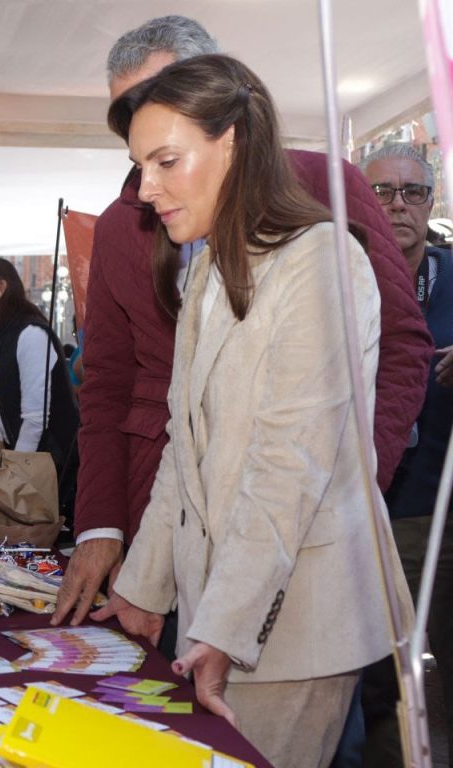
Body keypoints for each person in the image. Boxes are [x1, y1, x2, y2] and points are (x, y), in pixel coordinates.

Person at [53, 14, 431, 629]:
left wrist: (356, 488)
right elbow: (108, 386)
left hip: (305, 533)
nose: (143, 119)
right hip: (167, 528)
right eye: (129, 109)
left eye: (161, 94)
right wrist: (102, 523)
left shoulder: (325, 185)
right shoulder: (126, 223)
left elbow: (400, 346)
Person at [102, 53, 413, 768]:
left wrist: (223, 630)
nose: (146, 188)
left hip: (296, 623)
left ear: (234, 141)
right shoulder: (211, 264)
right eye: (139, 166)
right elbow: (186, 450)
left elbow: (289, 466)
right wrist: (144, 589)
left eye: (165, 161)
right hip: (224, 611)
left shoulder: (321, 261)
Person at [360, 143, 453, 766]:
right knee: (374, 681)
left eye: (413, 192)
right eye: (382, 192)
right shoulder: (336, 276)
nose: (398, 206)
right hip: (359, 514)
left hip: (439, 514)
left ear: (430, 202)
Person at [0, 257, 78, 475]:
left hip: (53, 469)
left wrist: (12, 476)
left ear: (0, 288)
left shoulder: (31, 335)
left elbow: (34, 420)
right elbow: (0, 416)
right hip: (27, 463)